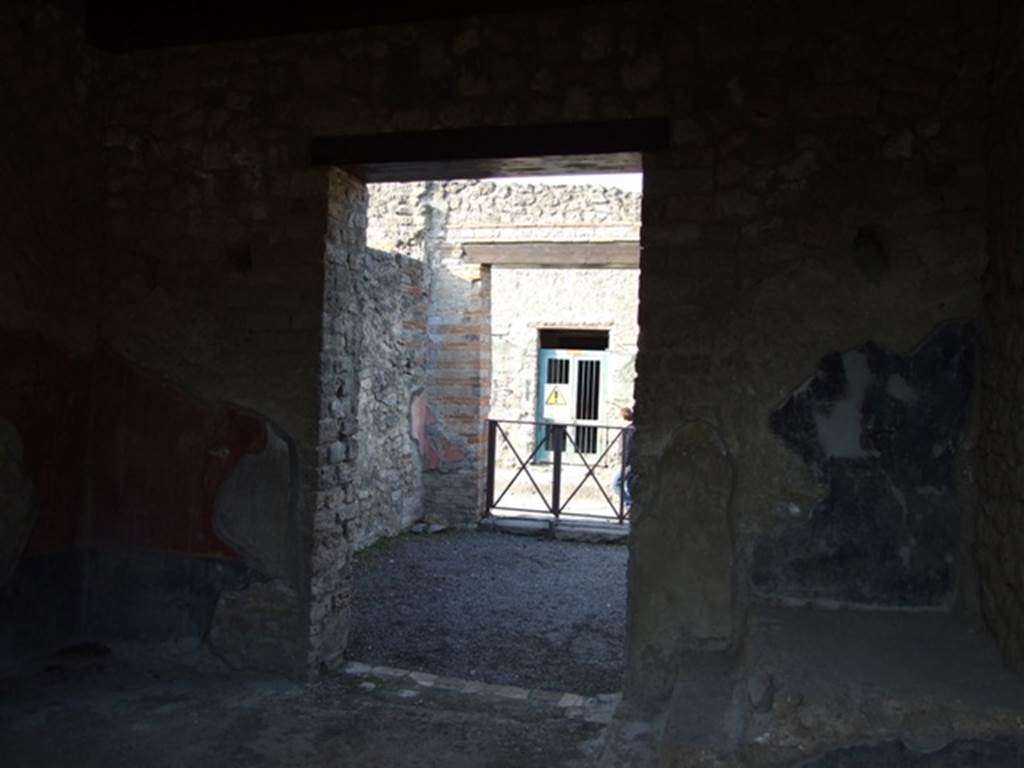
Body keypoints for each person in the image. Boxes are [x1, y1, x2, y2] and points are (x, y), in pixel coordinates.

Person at [614, 407, 635, 507]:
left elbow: (626, 449)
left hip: (628, 463)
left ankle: (629, 506)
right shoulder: (631, 428)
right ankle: (633, 508)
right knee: (630, 485)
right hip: (631, 462)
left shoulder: (628, 430)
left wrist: (624, 464)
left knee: (616, 484)